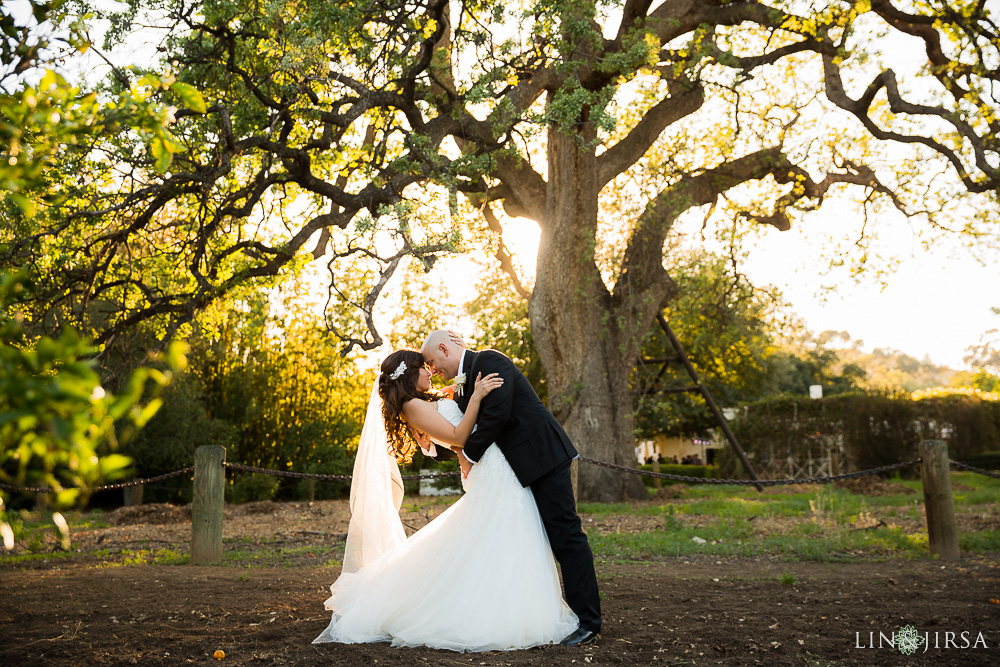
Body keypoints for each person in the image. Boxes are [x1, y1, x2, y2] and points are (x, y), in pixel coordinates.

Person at [313, 349, 578, 652]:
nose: (430, 372)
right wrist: (476, 397)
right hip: (491, 470)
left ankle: (509, 602)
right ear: (409, 374)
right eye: (423, 368)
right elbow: (459, 436)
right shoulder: (412, 406)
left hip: (497, 467)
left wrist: (462, 401)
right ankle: (502, 613)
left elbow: (450, 436)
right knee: (502, 532)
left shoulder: (423, 401)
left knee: (501, 536)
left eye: (430, 366)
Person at [420, 331, 602, 647]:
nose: (433, 370)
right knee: (537, 538)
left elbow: (497, 416)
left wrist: (469, 456)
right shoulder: (463, 381)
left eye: (432, 362)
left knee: (566, 535)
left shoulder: (489, 360)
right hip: (515, 469)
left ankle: (589, 622)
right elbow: (465, 419)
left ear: (445, 348)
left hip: (543, 456)